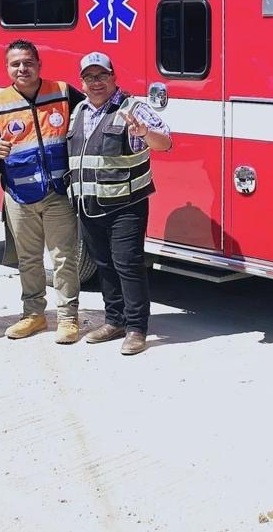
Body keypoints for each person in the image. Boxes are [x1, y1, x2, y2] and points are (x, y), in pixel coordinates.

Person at [0, 40, 85, 344]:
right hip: (19, 195)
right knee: (28, 258)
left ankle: (68, 318)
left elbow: (91, 114)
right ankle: (33, 315)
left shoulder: (63, 92)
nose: (22, 69)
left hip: (58, 192)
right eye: (15, 64)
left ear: (39, 64)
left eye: (28, 62)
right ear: (7, 68)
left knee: (64, 257)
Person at [69, 52, 171, 356]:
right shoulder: (78, 111)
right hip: (88, 205)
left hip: (126, 205)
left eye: (102, 76)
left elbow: (165, 142)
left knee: (128, 264)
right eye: (90, 77)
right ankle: (114, 320)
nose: (96, 82)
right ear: (82, 82)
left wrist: (144, 132)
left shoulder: (133, 108)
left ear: (114, 78)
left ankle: (137, 329)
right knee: (104, 265)